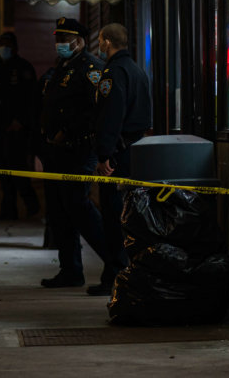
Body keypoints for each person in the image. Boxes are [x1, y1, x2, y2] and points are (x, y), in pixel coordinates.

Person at [38, 18, 120, 289]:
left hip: (79, 150)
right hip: (56, 152)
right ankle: (70, 270)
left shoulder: (91, 68)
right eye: (57, 38)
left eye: (65, 39)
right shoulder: (62, 66)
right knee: (59, 211)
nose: (60, 43)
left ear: (81, 41)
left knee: (79, 207)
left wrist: (68, 130)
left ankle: (116, 265)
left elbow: (96, 110)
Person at [89, 23, 152, 296]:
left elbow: (110, 116)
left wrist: (104, 154)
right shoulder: (137, 70)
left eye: (101, 41)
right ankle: (126, 272)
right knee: (129, 216)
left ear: (106, 42)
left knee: (114, 217)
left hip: (117, 154)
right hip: (134, 151)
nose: (100, 46)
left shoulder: (114, 72)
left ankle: (114, 275)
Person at [0, 31, 40, 219]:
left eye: (7, 44)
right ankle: (9, 209)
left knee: (19, 171)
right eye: (1, 44)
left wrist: (21, 121)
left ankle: (32, 206)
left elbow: (30, 99)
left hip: (18, 131)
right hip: (0, 130)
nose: (4, 48)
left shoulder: (24, 68)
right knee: (3, 171)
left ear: (15, 47)